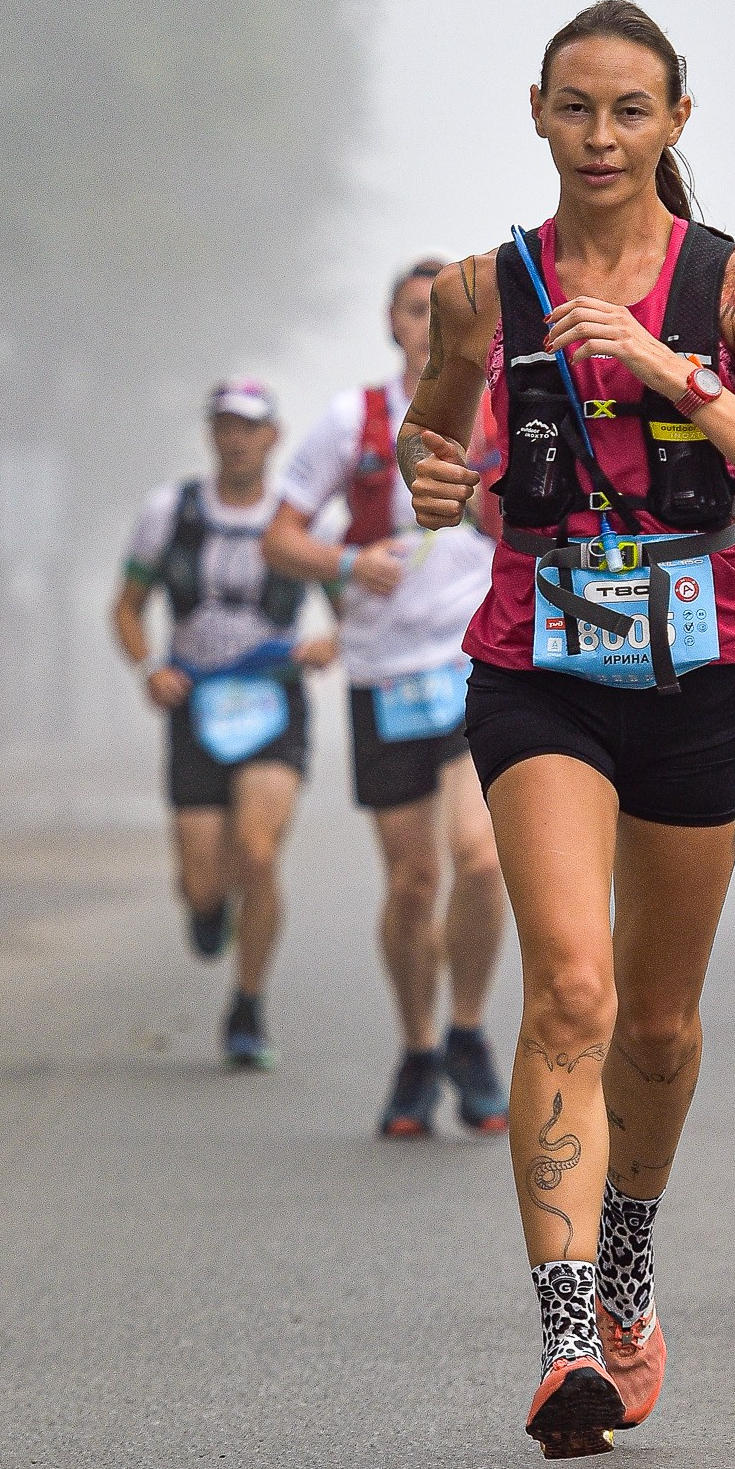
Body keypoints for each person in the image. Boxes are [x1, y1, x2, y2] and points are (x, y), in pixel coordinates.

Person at [398, 0, 735, 1458]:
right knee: (575, 995)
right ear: (535, 110)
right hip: (535, 669)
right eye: (576, 108)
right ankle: (558, 1338)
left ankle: (627, 1256)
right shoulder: (483, 289)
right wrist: (425, 478)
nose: (601, 136)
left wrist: (681, 380)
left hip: (694, 677)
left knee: (655, 1028)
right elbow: (432, 431)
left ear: (674, 123)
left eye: (630, 111)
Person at [264, 262, 511, 1137]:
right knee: (413, 882)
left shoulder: (503, 410)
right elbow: (280, 535)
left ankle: (471, 1031)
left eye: (449, 311)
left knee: (480, 858)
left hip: (479, 660)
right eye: (418, 311)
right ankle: (417, 1049)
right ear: (393, 324)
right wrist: (343, 563)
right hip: (383, 675)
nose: (433, 325)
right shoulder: (352, 422)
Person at [113, 378, 327, 1069]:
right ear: (211, 435)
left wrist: (332, 644)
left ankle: (248, 1004)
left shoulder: (299, 519)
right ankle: (209, 911)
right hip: (196, 702)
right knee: (204, 882)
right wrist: (151, 669)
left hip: (272, 698)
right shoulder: (168, 512)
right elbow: (127, 605)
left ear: (273, 436)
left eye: (248, 426)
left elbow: (353, 596)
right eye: (223, 426)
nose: (234, 439)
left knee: (258, 855)